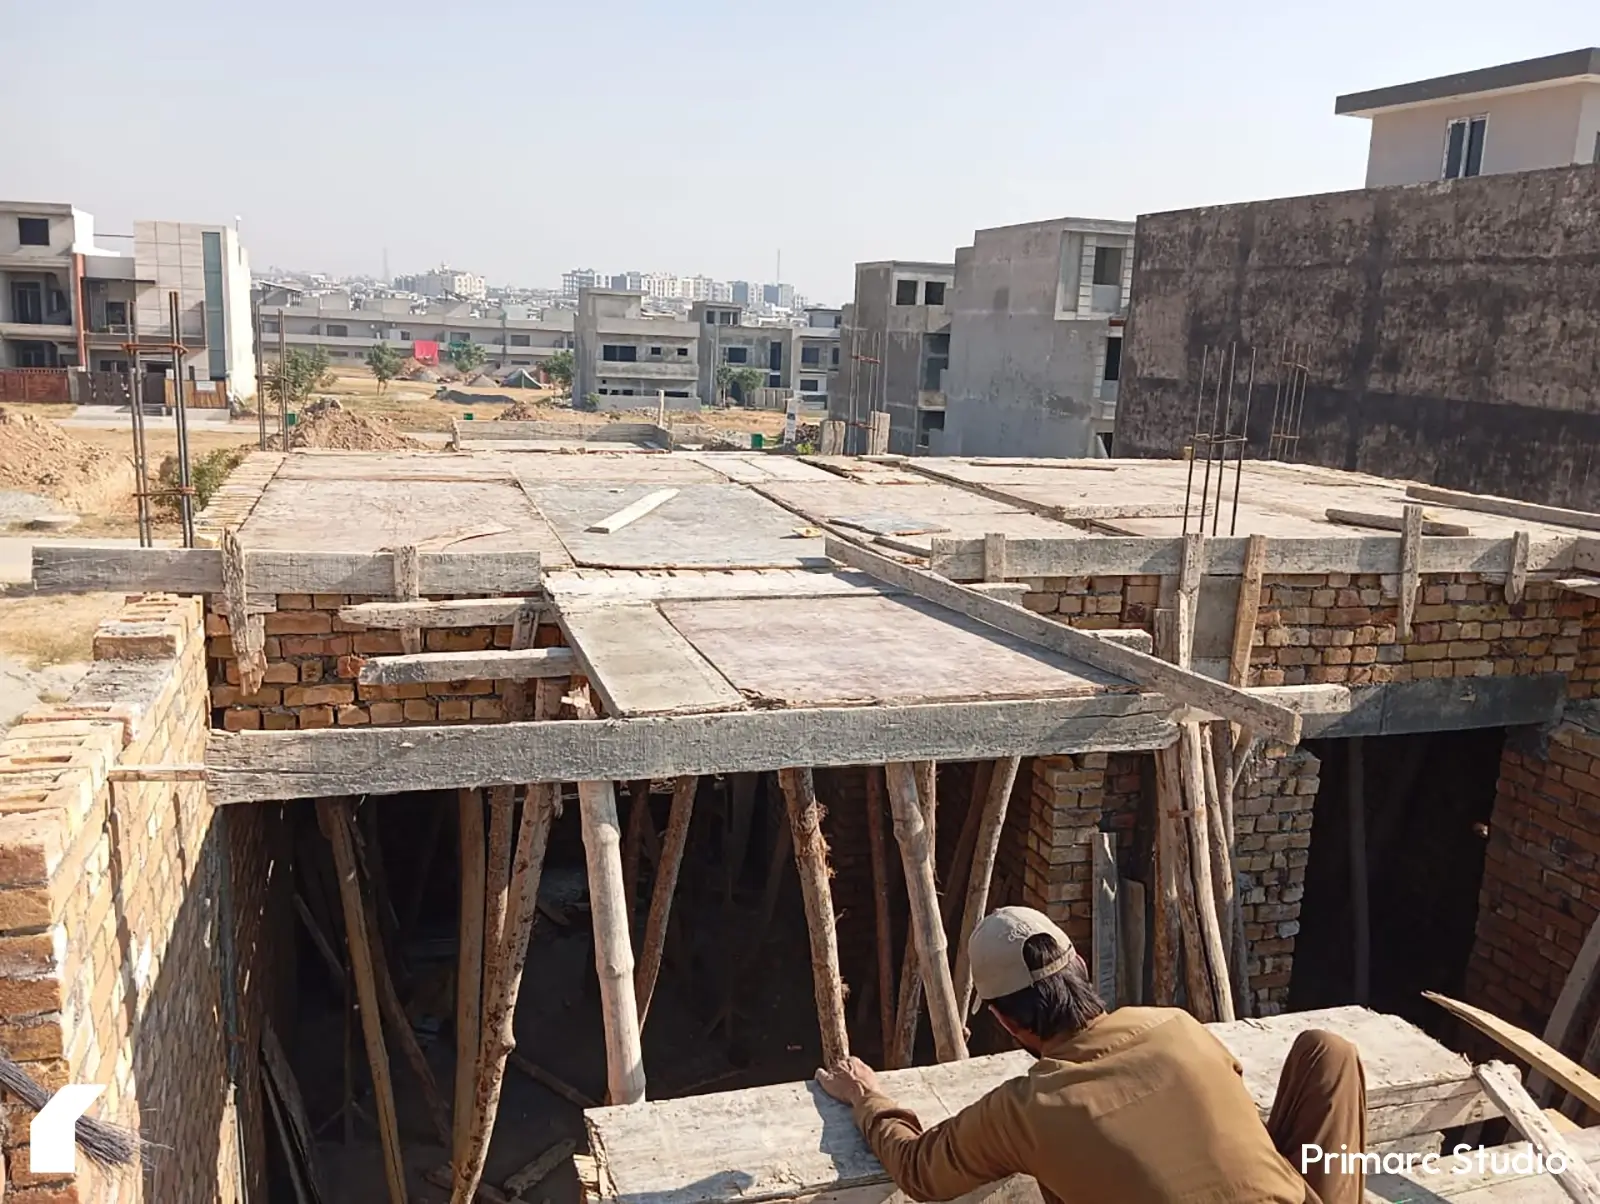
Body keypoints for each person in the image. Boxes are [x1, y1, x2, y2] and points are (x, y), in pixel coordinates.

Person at [816, 906, 1366, 1204]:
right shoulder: (1179, 1027)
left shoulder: (1028, 1110)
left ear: (1007, 1021)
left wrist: (867, 1097)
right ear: (1079, 965)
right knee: (1328, 1052)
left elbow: (920, 1173)